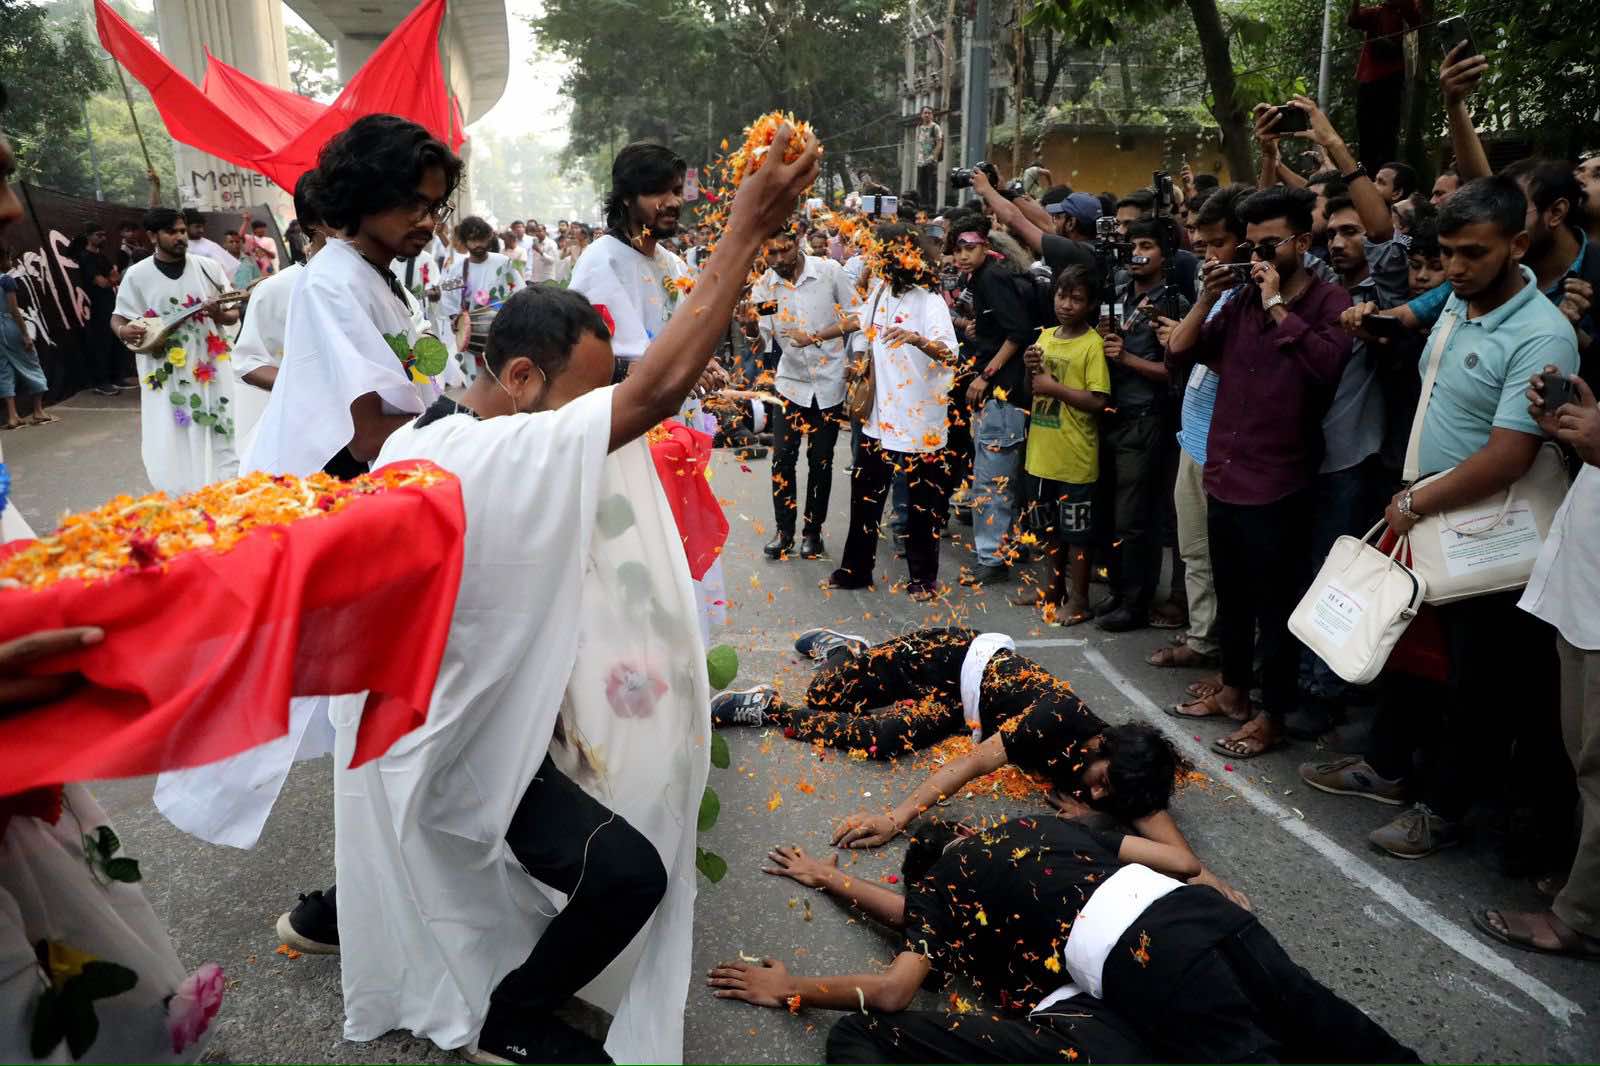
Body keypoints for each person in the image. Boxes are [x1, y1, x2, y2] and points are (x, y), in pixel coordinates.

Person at [321, 127, 822, 1064]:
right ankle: (512, 1021)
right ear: (518, 378)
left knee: (623, 869)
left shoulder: (451, 435)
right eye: (579, 407)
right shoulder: (469, 452)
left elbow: (645, 389)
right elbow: (658, 389)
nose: (596, 436)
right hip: (452, 752)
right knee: (628, 875)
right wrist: (746, 227)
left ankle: (515, 998)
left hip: (488, 725)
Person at [1303, 177, 1580, 858]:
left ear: (1519, 246)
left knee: (1478, 682)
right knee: (1412, 653)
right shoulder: (1457, 300)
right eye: (1447, 251)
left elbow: (1510, 455)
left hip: (1487, 533)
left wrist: (1417, 501)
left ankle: (1444, 809)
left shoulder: (1544, 335)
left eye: (1472, 253)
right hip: (1426, 511)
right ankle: (1388, 769)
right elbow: (1412, 314)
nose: (1454, 266)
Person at [715, 814, 1415, 1064]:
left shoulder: (946, 892)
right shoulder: (1031, 830)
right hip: (1206, 917)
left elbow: (898, 984)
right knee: (1324, 1023)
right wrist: (826, 879)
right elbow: (1178, 862)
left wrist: (793, 987)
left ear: (927, 879)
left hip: (1147, 962)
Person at [1166, 185, 1354, 760]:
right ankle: (1233, 692)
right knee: (1234, 595)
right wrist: (1206, 298)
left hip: (1281, 481)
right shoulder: (1241, 297)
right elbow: (1180, 351)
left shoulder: (1328, 300)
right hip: (1226, 467)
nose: (1258, 258)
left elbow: (1325, 367)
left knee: (1276, 608)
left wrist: (1277, 306)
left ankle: (1272, 715)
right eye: (1251, 247)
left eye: (1269, 245)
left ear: (1301, 240)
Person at [1472, 365, 1600, 959]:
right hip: (1583, 587)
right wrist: (1574, 435)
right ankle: (1587, 887)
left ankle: (1583, 916)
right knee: (1583, 754)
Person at [824, 223, 958, 601]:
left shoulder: (929, 302)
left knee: (921, 505)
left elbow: (950, 354)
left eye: (881, 254)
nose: (875, 260)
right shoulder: (881, 292)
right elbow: (859, 323)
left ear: (901, 259)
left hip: (919, 421)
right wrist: (816, 337)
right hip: (878, 420)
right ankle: (856, 570)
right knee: (864, 496)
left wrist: (916, 339)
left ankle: (923, 579)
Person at [1095, 219, 1189, 631]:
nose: (1136, 253)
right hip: (1109, 414)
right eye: (1131, 244)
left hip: (1147, 418)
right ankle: (1118, 591)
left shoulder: (1173, 305)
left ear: (1165, 256)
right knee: (1113, 515)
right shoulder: (1115, 295)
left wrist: (1126, 360)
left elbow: (1178, 371)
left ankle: (1136, 603)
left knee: (1135, 519)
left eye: (1146, 245)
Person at [742, 224, 856, 560]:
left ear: (797, 242)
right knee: (782, 460)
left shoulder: (829, 272)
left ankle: (812, 533)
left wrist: (817, 337)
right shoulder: (765, 287)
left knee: (821, 461)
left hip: (829, 384)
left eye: (783, 250)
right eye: (771, 253)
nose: (777, 259)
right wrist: (750, 329)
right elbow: (762, 341)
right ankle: (784, 532)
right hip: (789, 383)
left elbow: (856, 318)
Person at [110, 207, 240, 495]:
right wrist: (123, 331)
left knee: (220, 423)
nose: (180, 237)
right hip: (164, 372)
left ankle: (223, 488)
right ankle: (180, 494)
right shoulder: (137, 275)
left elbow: (233, 315)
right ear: (153, 236)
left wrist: (218, 314)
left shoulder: (208, 267)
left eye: (182, 231)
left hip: (210, 366)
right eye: (172, 232)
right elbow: (118, 316)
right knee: (173, 431)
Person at [1014, 264, 1110, 624]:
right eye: (1061, 295)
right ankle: (1053, 588)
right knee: (1047, 528)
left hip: (1074, 457)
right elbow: (1032, 392)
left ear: (1091, 304)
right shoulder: (1045, 337)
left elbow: (1099, 401)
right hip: (1041, 453)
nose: (1066, 305)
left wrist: (1055, 387)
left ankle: (1080, 598)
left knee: (1078, 535)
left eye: (1076, 299)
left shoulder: (1092, 345)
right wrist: (1029, 368)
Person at [945, 213, 1037, 586]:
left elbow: (1018, 333)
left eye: (970, 248)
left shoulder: (994, 277)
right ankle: (1009, 543)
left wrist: (985, 376)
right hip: (1000, 394)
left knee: (991, 480)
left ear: (986, 244)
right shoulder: (985, 276)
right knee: (1002, 478)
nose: (963, 256)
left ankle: (991, 557)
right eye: (957, 250)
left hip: (1003, 394)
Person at [569, 142, 693, 377]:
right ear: (627, 197)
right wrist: (629, 369)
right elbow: (578, 355)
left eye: (676, 191)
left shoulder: (674, 264)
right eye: (658, 191)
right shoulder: (601, 261)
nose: (673, 202)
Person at [232, 173, 328, 453]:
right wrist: (310, 386)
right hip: (301, 440)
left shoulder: (384, 283)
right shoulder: (276, 289)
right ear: (317, 225)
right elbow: (248, 363)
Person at [441, 215, 526, 364]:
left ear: (489, 238)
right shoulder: (457, 270)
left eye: (482, 239)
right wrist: (456, 319)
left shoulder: (503, 263)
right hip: (472, 342)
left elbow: (520, 291)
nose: (478, 244)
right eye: (473, 240)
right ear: (465, 241)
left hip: (503, 335)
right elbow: (447, 297)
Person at [0, 243, 53, 429]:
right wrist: (25, 334)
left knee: (4, 370)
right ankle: (38, 411)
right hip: (9, 325)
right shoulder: (6, 280)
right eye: (8, 257)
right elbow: (14, 311)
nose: (10, 261)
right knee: (32, 363)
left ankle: (13, 416)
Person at [75, 223, 123, 397]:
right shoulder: (85, 257)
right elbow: (102, 282)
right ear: (88, 236)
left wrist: (110, 279)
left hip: (111, 303)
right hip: (96, 305)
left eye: (104, 235)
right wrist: (110, 280)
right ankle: (101, 382)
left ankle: (115, 377)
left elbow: (114, 277)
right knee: (101, 343)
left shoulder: (102, 257)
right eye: (98, 235)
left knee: (114, 340)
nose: (102, 238)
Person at [183, 209, 239, 278]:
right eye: (197, 227)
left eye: (202, 226)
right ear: (186, 226)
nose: (201, 230)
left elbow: (227, 269)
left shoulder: (210, 245)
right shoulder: (180, 246)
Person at [913, 107, 944, 210]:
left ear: (932, 115)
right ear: (921, 115)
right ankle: (922, 206)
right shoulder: (919, 128)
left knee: (931, 185)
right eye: (925, 113)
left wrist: (934, 157)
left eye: (929, 113)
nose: (927, 115)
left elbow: (939, 143)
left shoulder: (935, 127)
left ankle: (931, 208)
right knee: (921, 185)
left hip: (931, 160)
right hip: (921, 160)